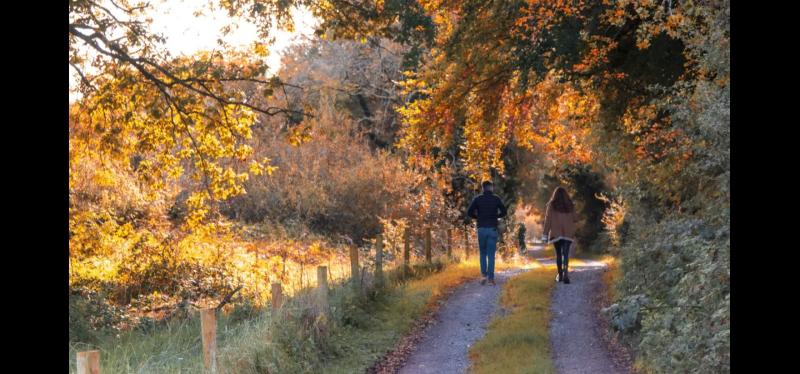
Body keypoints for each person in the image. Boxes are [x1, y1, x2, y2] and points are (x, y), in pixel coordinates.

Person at [467, 181, 508, 286]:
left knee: (482, 253)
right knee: (491, 255)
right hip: (492, 229)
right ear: (491, 188)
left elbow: (469, 212)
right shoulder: (496, 199)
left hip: (481, 229)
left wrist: (478, 217)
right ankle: (490, 279)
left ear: (483, 188)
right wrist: (496, 216)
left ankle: (483, 276)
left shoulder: (477, 199)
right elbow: (504, 212)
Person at [541, 187, 578, 284]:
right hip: (568, 232)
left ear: (555, 195)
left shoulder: (551, 205)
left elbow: (547, 220)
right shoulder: (570, 205)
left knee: (558, 254)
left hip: (556, 232)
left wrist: (545, 234)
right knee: (565, 254)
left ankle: (560, 275)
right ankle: (566, 273)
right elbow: (575, 218)